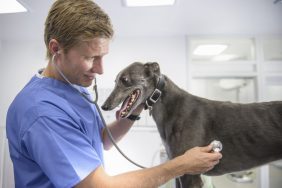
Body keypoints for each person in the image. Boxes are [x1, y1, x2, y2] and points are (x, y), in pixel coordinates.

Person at [6, 0, 222, 187]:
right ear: (56, 49)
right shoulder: (42, 113)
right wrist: (180, 165)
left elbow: (102, 140)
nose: (100, 70)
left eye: (102, 57)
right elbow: (99, 186)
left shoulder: (73, 86)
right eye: (91, 58)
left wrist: (136, 108)